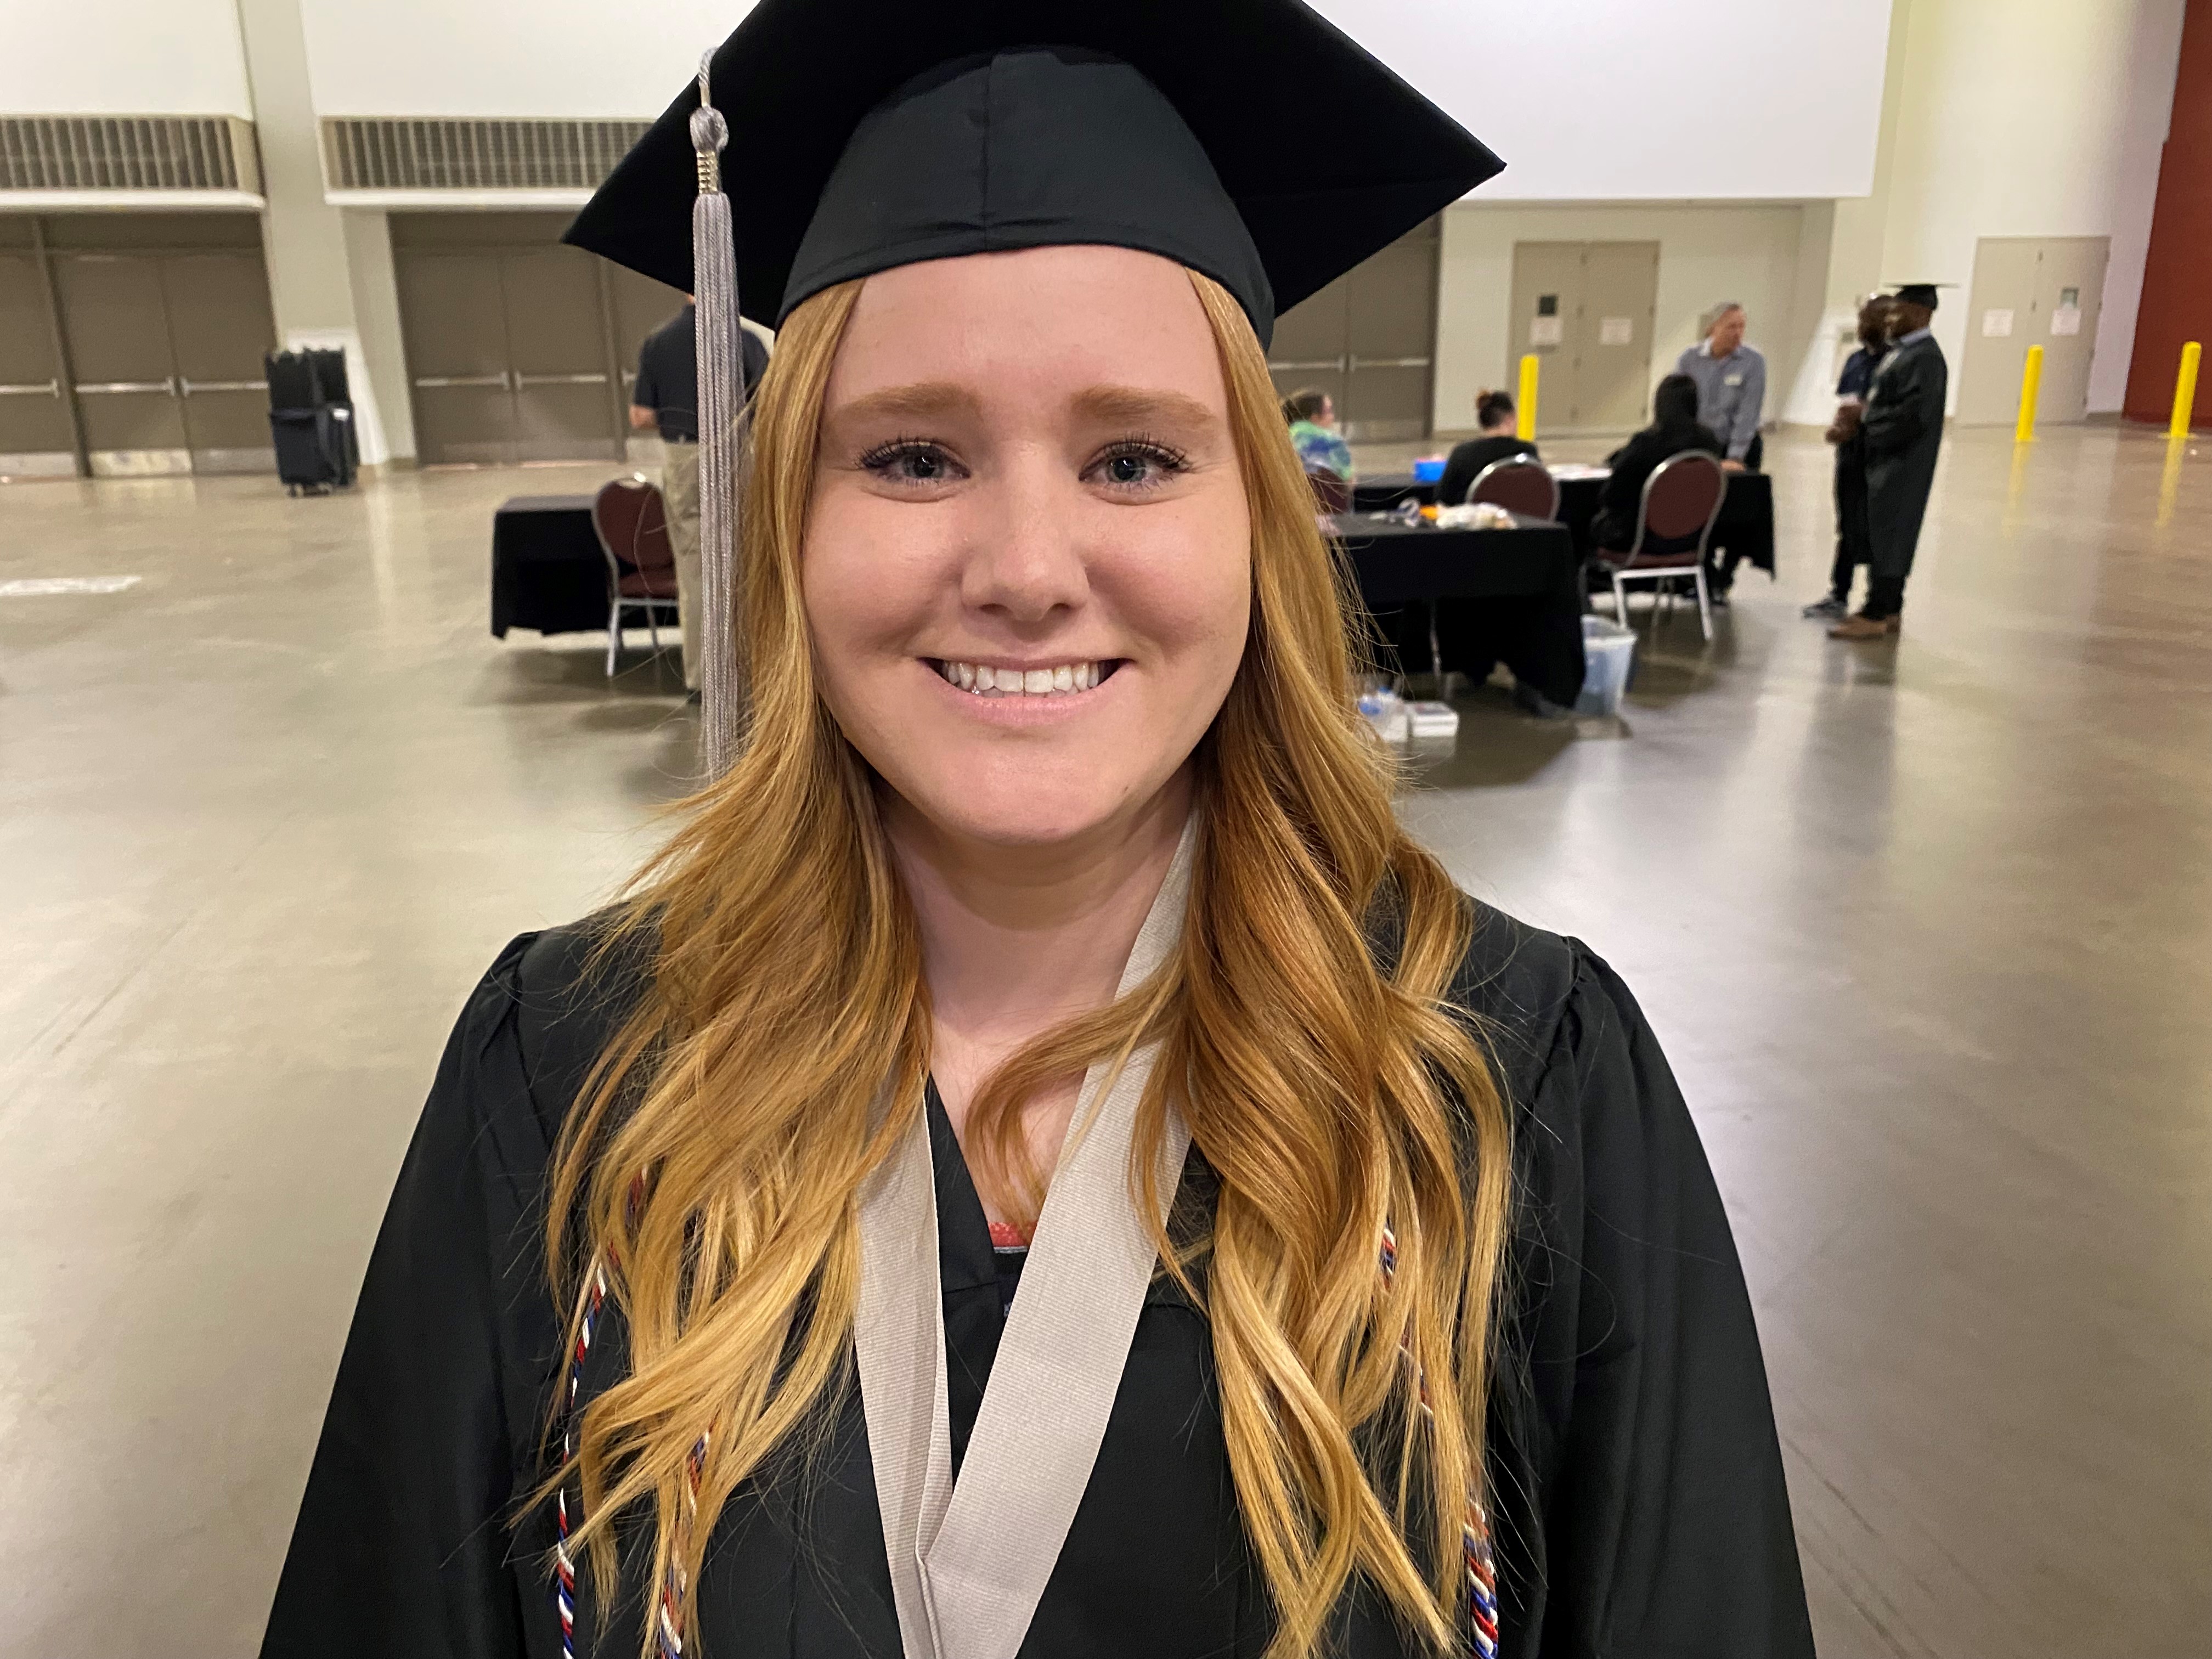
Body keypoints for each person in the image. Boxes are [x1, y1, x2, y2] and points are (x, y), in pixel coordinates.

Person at [259, 6, 1816, 1658]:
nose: (1022, 564)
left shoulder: (1508, 1086)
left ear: (1262, 523)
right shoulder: (575, 1081)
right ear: (789, 518)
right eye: (913, 456)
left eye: (1135, 458)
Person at [630, 298, 771, 692]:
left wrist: (681, 413)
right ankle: (750, 676)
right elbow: (771, 404)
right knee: (747, 565)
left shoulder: (658, 343)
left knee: (694, 570)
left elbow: (639, 416)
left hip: (683, 457)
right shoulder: (744, 341)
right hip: (734, 452)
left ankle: (702, 680)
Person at [1831, 283, 1949, 640]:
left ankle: (1878, 609)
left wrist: (1865, 419)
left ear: (1919, 314)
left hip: (1902, 464)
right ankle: (1887, 604)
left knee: (1892, 534)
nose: (1889, 319)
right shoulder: (1902, 352)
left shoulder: (1925, 358)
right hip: (1884, 460)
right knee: (1880, 531)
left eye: (1897, 312)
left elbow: (1914, 416)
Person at [1803, 297, 1893, 620]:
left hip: (1880, 456)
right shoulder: (1855, 360)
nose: (1865, 326)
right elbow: (1845, 404)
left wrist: (1862, 416)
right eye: (1863, 319)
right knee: (1848, 525)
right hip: (1850, 454)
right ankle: (1839, 593)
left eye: (1874, 320)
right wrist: (1837, 428)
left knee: (1876, 528)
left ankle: (1877, 600)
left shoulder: (1897, 363)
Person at [1590, 371, 1724, 555]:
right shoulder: (1709, 443)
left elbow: (1613, 495)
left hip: (1640, 539)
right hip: (1693, 539)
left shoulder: (1646, 443)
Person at [1675, 302, 1766, 473]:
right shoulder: (1689, 359)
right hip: (1701, 445)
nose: (1738, 333)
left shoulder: (1753, 361)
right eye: (1731, 327)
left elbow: (1749, 412)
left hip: (1739, 445)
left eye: (1741, 327)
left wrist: (1735, 457)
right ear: (1713, 328)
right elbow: (1679, 404)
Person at [1437, 387, 1537, 506]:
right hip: (1520, 522)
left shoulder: (1463, 453)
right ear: (1510, 419)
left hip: (1474, 524)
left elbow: (1441, 499)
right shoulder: (1527, 452)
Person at [1281, 385, 1354, 483]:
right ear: (1315, 417)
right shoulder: (1334, 443)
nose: (1333, 417)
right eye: (1329, 411)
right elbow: (1349, 480)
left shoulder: (1281, 438)